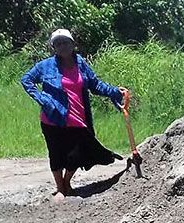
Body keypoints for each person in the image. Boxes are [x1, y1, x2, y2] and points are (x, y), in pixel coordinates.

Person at [21, 29, 127, 202]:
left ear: (73, 44)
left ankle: (66, 182)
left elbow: (95, 84)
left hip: (78, 118)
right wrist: (42, 99)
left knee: (76, 154)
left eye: (65, 42)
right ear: (54, 47)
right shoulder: (46, 66)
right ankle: (61, 188)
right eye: (58, 43)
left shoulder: (80, 63)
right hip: (53, 118)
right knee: (55, 154)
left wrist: (114, 92)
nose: (62, 46)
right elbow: (26, 80)